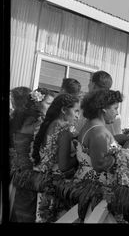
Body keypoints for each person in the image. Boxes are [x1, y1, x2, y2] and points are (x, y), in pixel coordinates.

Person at [31, 93, 80, 222]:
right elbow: (64, 165)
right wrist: (79, 156)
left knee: (44, 217)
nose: (77, 116)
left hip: (45, 181)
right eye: (75, 111)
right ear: (64, 110)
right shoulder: (64, 129)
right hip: (58, 185)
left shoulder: (49, 124)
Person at [74, 89, 129, 187]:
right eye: (115, 108)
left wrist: (116, 139)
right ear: (104, 109)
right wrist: (125, 151)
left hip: (85, 182)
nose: (117, 113)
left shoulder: (90, 125)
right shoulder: (99, 131)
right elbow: (100, 164)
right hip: (96, 187)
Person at [9, 91, 44, 222]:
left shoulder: (16, 120)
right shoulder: (36, 122)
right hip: (29, 171)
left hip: (17, 167)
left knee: (17, 206)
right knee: (26, 210)